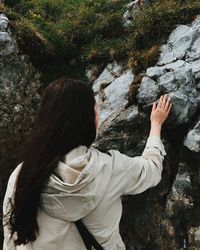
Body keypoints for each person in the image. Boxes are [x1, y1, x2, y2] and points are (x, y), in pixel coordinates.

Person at [3, 77, 172, 250]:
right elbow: (151, 170)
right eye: (95, 109)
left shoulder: (23, 175)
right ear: (87, 120)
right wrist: (156, 125)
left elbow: (10, 239)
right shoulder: (111, 168)